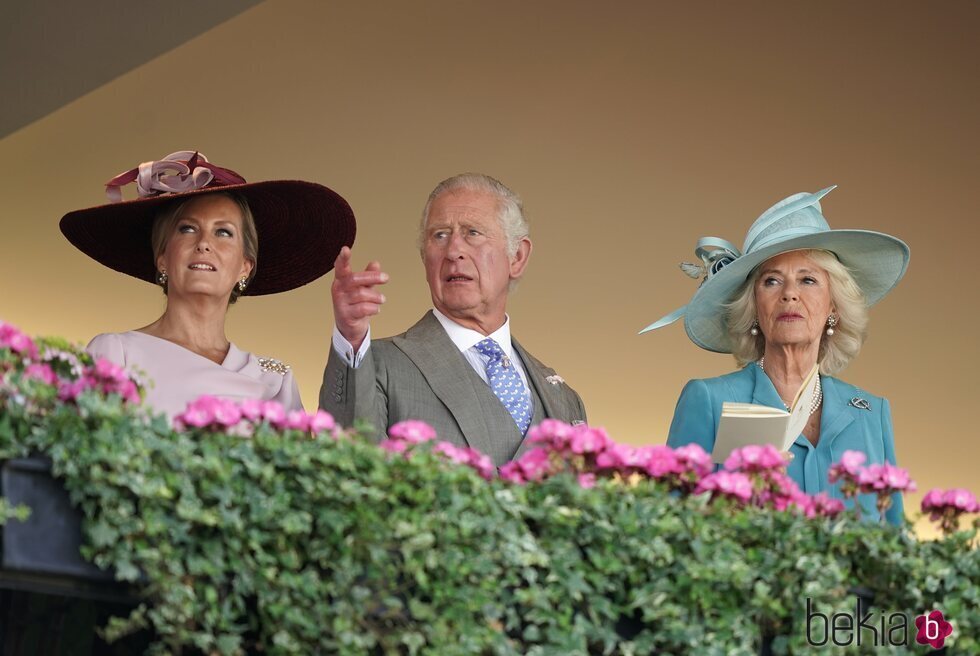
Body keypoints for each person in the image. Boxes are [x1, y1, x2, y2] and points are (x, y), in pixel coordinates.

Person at [642, 187, 910, 524]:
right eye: (772, 281)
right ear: (754, 306)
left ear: (833, 306)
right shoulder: (713, 400)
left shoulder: (870, 413)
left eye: (808, 280)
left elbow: (895, 539)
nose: (789, 295)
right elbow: (671, 525)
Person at [60, 150, 356, 418]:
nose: (204, 244)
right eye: (188, 229)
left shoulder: (274, 379)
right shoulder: (115, 353)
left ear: (245, 267)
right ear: (162, 257)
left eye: (224, 233)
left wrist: (349, 335)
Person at [319, 173, 586, 465]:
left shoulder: (563, 398)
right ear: (425, 258)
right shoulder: (377, 364)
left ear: (517, 257)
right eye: (440, 235)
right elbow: (347, 467)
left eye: (473, 233)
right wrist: (351, 337)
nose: (454, 251)